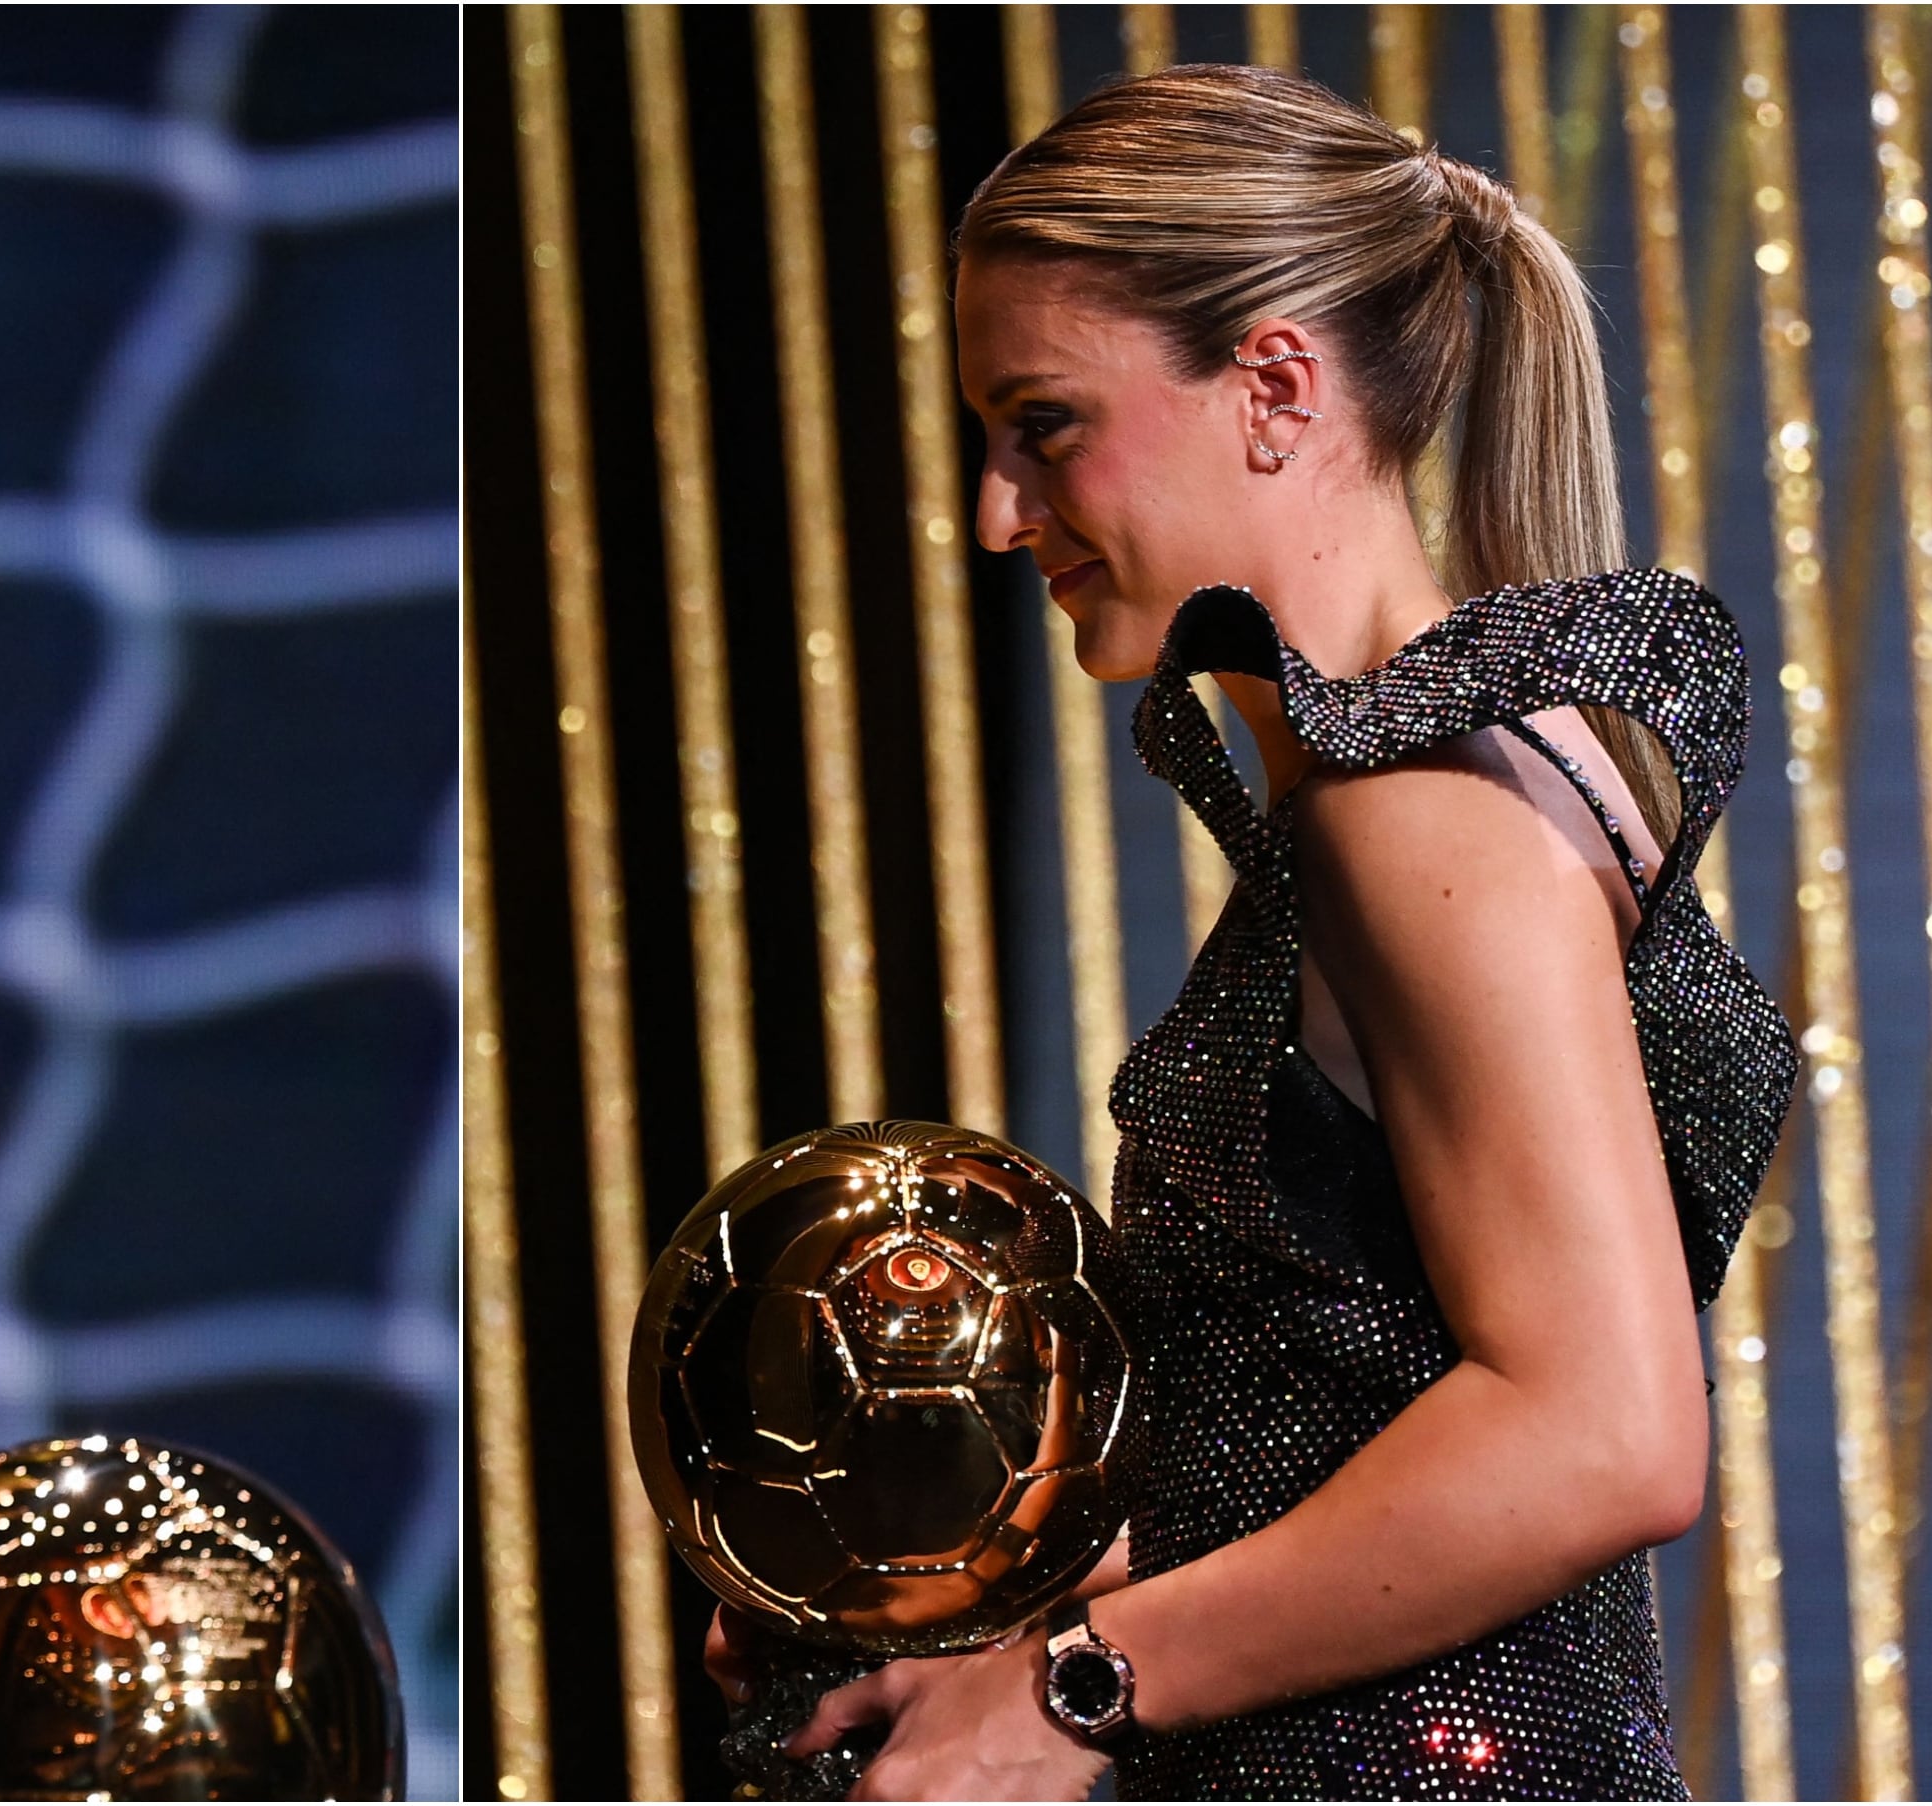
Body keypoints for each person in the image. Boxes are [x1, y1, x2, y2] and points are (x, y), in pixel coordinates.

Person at [717, 65, 1793, 1800]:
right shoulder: (1448, 770)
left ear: (1276, 387)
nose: (999, 515)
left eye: (1045, 426)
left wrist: (1069, 1692)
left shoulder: (1417, 801)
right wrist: (998, 1631)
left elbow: (1605, 1431)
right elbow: (1359, 1414)